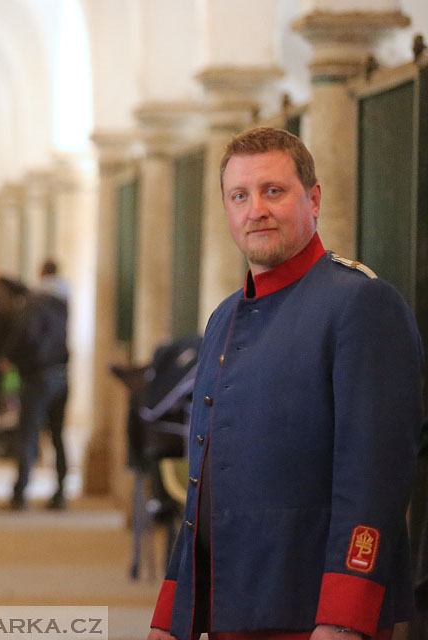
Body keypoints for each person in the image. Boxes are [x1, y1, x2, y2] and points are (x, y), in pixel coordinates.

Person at [147, 127, 422, 640]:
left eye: (274, 191)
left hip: (312, 612)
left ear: (312, 199)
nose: (257, 210)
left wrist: (344, 616)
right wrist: (171, 614)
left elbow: (375, 477)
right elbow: (204, 479)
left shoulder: (360, 303)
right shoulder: (223, 317)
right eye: (240, 196)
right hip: (225, 605)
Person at [7, 259, 71, 510]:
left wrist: (8, 356)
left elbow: (27, 335)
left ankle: (20, 492)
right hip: (62, 376)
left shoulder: (34, 302)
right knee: (58, 436)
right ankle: (61, 493)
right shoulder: (65, 300)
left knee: (28, 433)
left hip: (38, 377)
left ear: (40, 274)